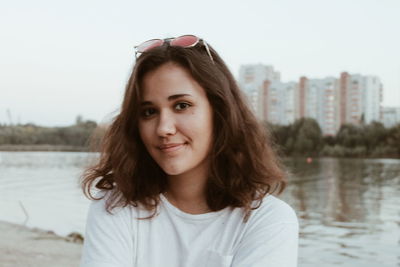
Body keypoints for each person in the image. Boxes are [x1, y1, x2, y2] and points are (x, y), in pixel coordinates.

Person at [79, 34, 299, 267]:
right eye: (148, 112)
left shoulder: (269, 220)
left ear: (219, 111)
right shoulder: (116, 206)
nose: (164, 128)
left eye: (182, 106)